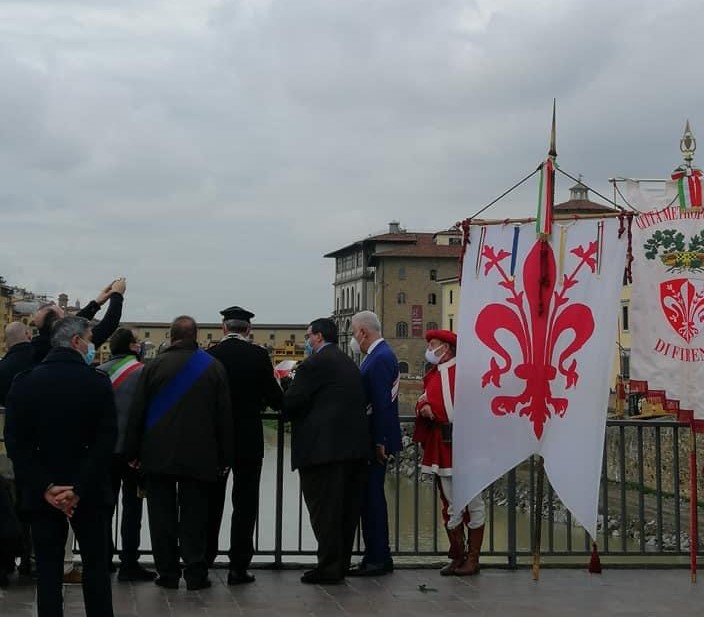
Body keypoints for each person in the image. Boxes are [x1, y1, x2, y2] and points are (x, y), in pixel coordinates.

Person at [4, 316, 117, 616]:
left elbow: (16, 444)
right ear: (77, 341)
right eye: (91, 339)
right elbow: (106, 442)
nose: (93, 346)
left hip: (44, 493)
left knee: (49, 573)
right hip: (88, 491)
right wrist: (78, 489)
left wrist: (46, 488)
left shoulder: (25, 382)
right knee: (96, 569)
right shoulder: (97, 383)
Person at [124, 316, 234, 591]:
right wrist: (225, 458)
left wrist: (133, 452)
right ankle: (196, 573)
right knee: (196, 516)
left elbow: (137, 412)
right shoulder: (213, 367)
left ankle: (168, 573)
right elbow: (224, 418)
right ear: (195, 336)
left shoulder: (152, 366)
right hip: (201, 455)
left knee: (161, 516)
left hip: (157, 454)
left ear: (171, 337)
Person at [283, 318, 369, 585]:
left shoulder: (313, 365)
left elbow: (292, 404)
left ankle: (328, 568)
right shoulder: (347, 362)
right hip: (352, 449)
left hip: (322, 451)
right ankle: (339, 564)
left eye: (308, 336)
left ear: (319, 336)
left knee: (324, 511)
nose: (306, 341)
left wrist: (284, 391)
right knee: (344, 510)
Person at [205, 306, 283, 584]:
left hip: (216, 441)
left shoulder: (210, 356)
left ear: (223, 328)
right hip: (249, 440)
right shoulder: (259, 355)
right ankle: (238, 567)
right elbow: (275, 397)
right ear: (248, 330)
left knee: (211, 503)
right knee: (245, 503)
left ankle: (203, 561)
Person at [413, 329, 485, 576]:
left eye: (433, 344)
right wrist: (424, 407)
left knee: (473, 501)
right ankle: (458, 554)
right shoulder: (433, 375)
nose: (430, 348)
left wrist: (438, 412)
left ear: (446, 347)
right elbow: (422, 398)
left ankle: (473, 559)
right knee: (450, 501)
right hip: (441, 444)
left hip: (465, 444)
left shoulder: (464, 373)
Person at [97, 328, 155, 583]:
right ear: (132, 347)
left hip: (104, 452)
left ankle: (103, 558)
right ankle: (129, 563)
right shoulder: (143, 372)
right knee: (133, 510)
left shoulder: (98, 372)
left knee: (103, 509)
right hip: (133, 453)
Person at [347, 311, 402, 577]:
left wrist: (379, 440)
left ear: (363, 333)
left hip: (374, 441)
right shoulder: (381, 355)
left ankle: (378, 558)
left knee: (372, 501)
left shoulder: (378, 359)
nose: (353, 337)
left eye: (353, 332)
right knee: (371, 500)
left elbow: (381, 403)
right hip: (373, 439)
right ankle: (375, 555)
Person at [0, 322, 35, 580]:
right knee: (28, 507)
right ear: (27, 336)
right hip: (33, 449)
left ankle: (5, 562)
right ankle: (28, 560)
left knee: (5, 507)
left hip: (3, 447)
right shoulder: (37, 360)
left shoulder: (2, 368)